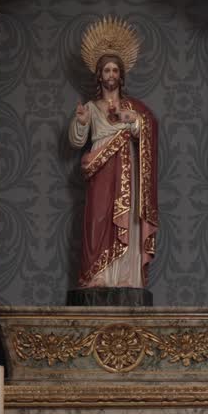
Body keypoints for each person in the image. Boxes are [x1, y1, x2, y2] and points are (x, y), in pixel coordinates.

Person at [68, 52, 159, 289]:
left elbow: (147, 129)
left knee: (127, 216)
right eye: (107, 70)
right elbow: (77, 142)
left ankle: (127, 277)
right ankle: (98, 276)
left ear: (121, 76)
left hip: (127, 167)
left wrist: (134, 119)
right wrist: (80, 122)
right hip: (100, 169)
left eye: (115, 70)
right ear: (99, 76)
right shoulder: (90, 107)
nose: (111, 75)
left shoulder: (132, 107)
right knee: (98, 219)